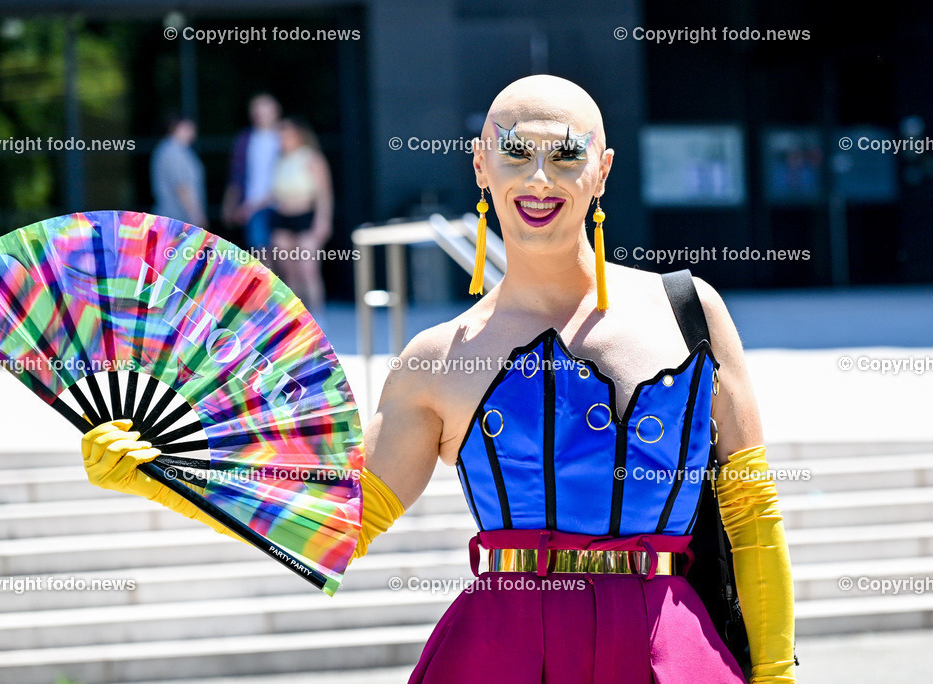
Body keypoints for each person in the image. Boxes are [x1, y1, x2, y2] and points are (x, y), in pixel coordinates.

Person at [80, 75, 795, 682]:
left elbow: (753, 520)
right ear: (482, 166)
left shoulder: (690, 311)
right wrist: (165, 477)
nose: (538, 178)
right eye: (515, 153)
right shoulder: (435, 358)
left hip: (670, 652)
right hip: (504, 655)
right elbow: (345, 523)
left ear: (602, 170)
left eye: (565, 155)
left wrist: (777, 674)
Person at [269, 117, 333, 318]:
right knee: (288, 269)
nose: (282, 138)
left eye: (286, 133)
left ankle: (318, 313)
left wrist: (323, 221)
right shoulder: (279, 160)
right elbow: (273, 193)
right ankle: (296, 315)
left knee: (307, 268)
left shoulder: (311, 158)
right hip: (283, 218)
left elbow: (324, 194)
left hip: (305, 217)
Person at [223, 93, 282, 255]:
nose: (260, 116)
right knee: (262, 257)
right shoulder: (245, 139)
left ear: (276, 111)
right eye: (257, 112)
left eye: (265, 111)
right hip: (253, 207)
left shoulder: (286, 136)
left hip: (285, 206)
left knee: (288, 259)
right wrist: (230, 203)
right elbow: (236, 174)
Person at [150, 116, 207, 228]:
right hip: (175, 223)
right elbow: (181, 188)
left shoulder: (179, 150)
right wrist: (197, 218)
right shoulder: (172, 151)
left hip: (176, 221)